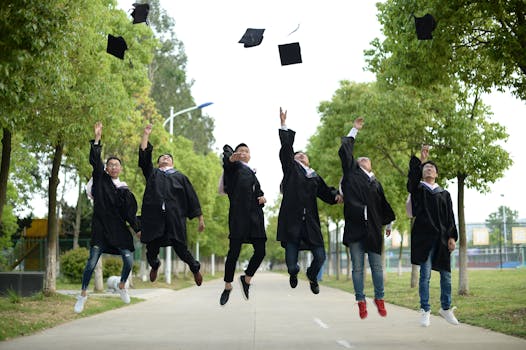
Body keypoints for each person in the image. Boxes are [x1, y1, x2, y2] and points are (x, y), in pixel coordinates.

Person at [74, 122, 141, 313]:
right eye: (110, 164)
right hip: (101, 228)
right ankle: (83, 294)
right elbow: (95, 160)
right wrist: (97, 138)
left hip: (119, 230)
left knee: (128, 261)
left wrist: (137, 229)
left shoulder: (124, 189)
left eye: (116, 165)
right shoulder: (101, 179)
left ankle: (121, 285)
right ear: (106, 168)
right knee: (91, 263)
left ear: (120, 169)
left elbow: (130, 212)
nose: (113, 167)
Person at [277, 107, 343, 294]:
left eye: (303, 155)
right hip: (292, 221)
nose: (301, 155)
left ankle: (312, 276)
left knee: (320, 257)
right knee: (291, 264)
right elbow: (286, 150)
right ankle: (294, 272)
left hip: (311, 222)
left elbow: (325, 192)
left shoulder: (314, 176)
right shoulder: (291, 170)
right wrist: (284, 125)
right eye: (298, 155)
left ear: (308, 161)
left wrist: (336, 196)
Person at [338, 117, 395, 319]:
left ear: (371, 167)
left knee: (377, 267)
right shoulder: (352, 173)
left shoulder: (375, 183)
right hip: (355, 229)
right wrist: (355, 129)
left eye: (366, 159)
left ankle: (379, 298)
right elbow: (345, 151)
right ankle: (361, 300)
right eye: (359, 158)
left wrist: (388, 222)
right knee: (357, 268)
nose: (363, 159)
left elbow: (383, 205)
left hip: (372, 230)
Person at [138, 124, 205, 286]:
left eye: (168, 157)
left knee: (182, 250)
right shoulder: (153, 173)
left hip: (174, 219)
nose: (165, 158)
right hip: (154, 219)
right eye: (162, 157)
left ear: (173, 163)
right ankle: (155, 265)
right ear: (158, 162)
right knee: (151, 251)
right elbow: (144, 157)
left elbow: (192, 197)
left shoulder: (180, 177)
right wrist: (145, 135)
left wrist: (200, 219)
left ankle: (195, 268)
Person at [407, 144, 459, 327]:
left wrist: (452, 237)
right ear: (422, 173)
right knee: (425, 274)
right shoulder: (418, 189)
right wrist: (421, 159)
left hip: (442, 238)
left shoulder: (444, 194)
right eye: (426, 167)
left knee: (446, 275)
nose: (429, 168)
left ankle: (445, 308)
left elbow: (450, 217)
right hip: (424, 237)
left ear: (436, 174)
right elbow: (411, 180)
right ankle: (425, 309)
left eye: (432, 168)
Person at [219, 142, 267, 306]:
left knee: (261, 251)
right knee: (234, 252)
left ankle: (246, 279)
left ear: (250, 155)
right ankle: (227, 286)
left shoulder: (252, 173)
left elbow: (258, 192)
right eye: (241, 151)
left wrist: (263, 198)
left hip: (255, 217)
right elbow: (227, 162)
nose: (243, 153)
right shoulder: (233, 169)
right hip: (238, 216)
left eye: (246, 151)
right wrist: (231, 158)